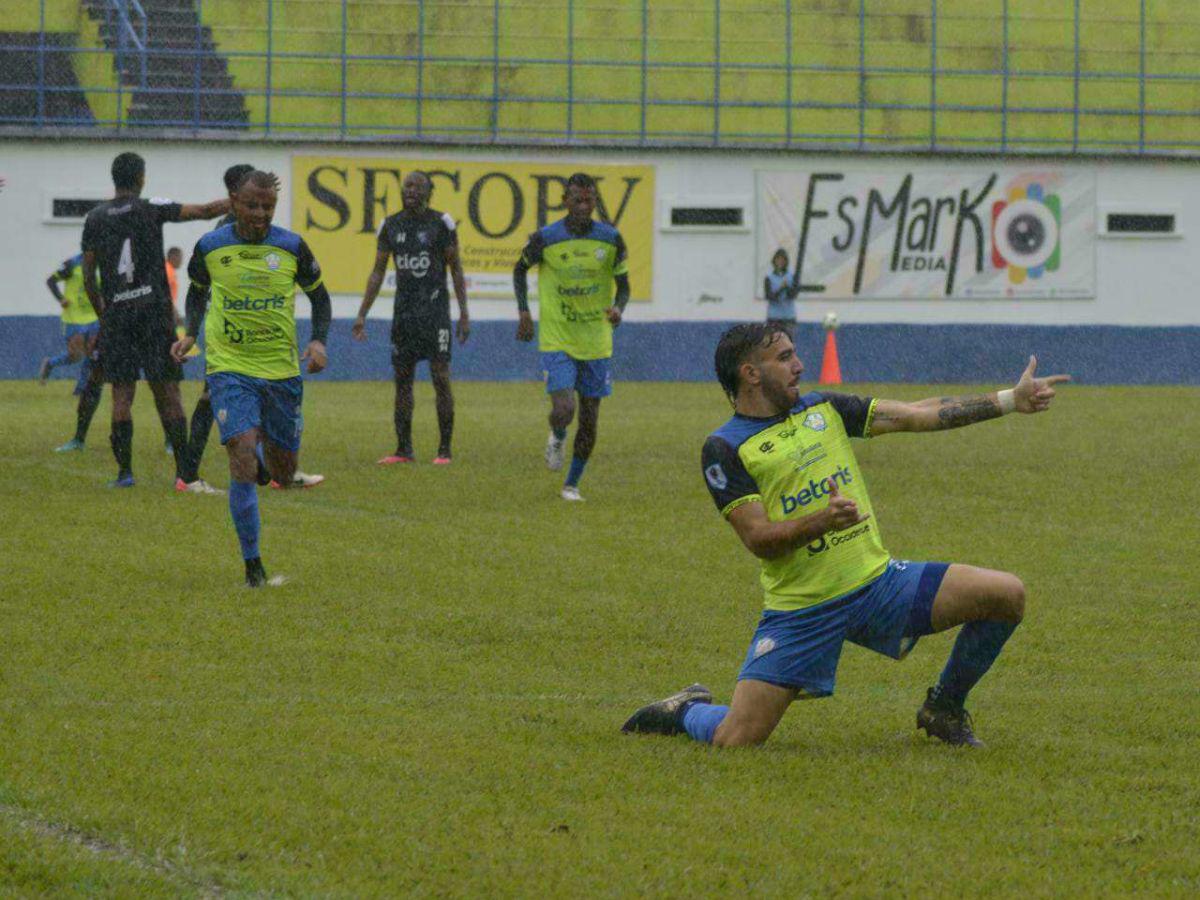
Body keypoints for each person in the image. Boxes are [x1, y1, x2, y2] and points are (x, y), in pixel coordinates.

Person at [621, 323, 1069, 748]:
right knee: (736, 738)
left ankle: (945, 708)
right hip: (802, 611)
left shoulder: (824, 409)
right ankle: (685, 710)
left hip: (878, 586)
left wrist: (1010, 399)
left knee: (1006, 594)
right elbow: (758, 538)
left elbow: (916, 414)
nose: (799, 365)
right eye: (784, 357)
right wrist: (822, 520)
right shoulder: (725, 447)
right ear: (750, 373)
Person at [172, 170, 332, 587]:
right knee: (241, 454)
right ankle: (253, 567)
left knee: (282, 473)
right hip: (229, 366)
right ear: (232, 201)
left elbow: (319, 296)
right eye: (251, 205)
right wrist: (191, 332)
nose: (260, 214)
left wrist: (318, 341)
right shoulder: (210, 246)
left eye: (268, 207)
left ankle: (267, 462)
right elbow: (196, 290)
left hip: (281, 370)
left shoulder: (291, 246)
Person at [81, 151, 229, 488]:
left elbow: (90, 278)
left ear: (114, 178)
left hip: (117, 313)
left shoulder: (95, 217)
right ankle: (184, 474)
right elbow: (204, 211)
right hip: (152, 313)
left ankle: (124, 474)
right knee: (168, 393)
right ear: (141, 178)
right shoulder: (150, 207)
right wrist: (237, 200)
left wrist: (105, 316)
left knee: (121, 395)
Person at [512, 172, 630, 501]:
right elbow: (519, 269)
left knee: (590, 419)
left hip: (596, 340)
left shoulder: (610, 239)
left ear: (594, 202)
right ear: (565, 201)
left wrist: (619, 308)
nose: (583, 206)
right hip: (558, 338)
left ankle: (571, 484)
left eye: (589, 200)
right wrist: (524, 311)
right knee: (565, 407)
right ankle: (558, 433)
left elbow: (625, 286)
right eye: (576, 200)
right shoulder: (546, 238)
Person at [352, 170, 469, 465]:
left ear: (429, 192)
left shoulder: (441, 223)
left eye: (417, 187)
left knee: (440, 377)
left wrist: (464, 313)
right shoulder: (391, 225)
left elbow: (455, 269)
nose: (410, 191)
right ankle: (404, 449)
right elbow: (378, 270)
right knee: (402, 380)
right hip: (404, 314)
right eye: (407, 187)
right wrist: (362, 312)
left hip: (435, 312)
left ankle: (444, 450)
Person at [40, 252, 105, 453]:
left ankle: (82, 387)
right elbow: (51, 280)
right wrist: (61, 299)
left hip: (93, 316)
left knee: (93, 354)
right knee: (76, 356)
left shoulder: (104, 264)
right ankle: (51, 363)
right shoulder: (71, 264)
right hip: (73, 318)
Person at [763, 248, 797, 337]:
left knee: (788, 343)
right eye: (778, 259)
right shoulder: (769, 278)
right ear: (774, 261)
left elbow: (793, 295)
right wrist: (781, 288)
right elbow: (769, 297)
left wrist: (787, 287)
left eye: (783, 260)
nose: (780, 262)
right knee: (773, 344)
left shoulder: (791, 277)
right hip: (774, 317)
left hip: (788, 317)